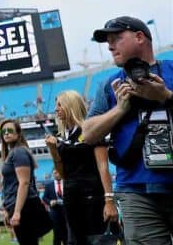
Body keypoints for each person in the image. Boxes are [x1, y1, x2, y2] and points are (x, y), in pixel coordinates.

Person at [82, 16, 173, 244]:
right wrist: (120, 109)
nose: (110, 46)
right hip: (136, 190)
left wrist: (165, 97)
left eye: (117, 38)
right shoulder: (110, 84)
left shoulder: (171, 70)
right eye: (108, 41)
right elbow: (89, 134)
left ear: (140, 37)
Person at [46, 90, 118, 245]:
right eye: (55, 105)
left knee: (97, 240)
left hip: (92, 196)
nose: (56, 109)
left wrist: (109, 200)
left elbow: (103, 166)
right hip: (71, 198)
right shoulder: (63, 136)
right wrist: (53, 150)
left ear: (71, 105)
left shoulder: (91, 130)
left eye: (60, 104)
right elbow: (62, 173)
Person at [0, 119, 50, 245]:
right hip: (19, 205)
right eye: (3, 131)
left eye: (10, 130)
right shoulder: (13, 152)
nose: (6, 133)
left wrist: (16, 212)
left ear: (18, 133)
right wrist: (8, 210)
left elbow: (24, 183)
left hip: (24, 207)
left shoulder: (19, 152)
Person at [41, 169, 68, 245]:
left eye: (58, 172)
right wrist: (50, 202)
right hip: (54, 212)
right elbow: (44, 197)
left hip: (66, 211)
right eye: (55, 173)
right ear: (53, 174)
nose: (57, 174)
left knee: (67, 232)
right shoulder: (49, 185)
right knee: (56, 233)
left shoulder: (67, 183)